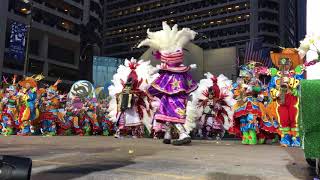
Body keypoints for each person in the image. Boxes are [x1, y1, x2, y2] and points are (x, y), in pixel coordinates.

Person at [137, 22, 198, 145]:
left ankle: (183, 134)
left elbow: (185, 76)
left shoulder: (177, 71)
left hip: (176, 98)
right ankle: (168, 134)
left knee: (173, 114)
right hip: (169, 97)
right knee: (165, 115)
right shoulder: (171, 71)